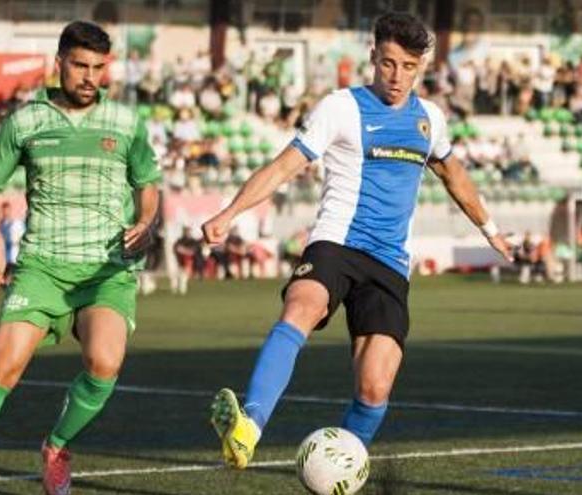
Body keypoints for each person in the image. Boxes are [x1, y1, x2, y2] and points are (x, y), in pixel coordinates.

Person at [201, 12, 512, 470]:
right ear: (373, 57)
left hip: (389, 263)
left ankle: (338, 465)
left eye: (408, 66)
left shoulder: (431, 118)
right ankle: (250, 424)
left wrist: (490, 230)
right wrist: (230, 212)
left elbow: (453, 174)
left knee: (374, 388)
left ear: (421, 66)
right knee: (301, 306)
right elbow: (284, 165)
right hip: (337, 244)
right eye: (388, 63)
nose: (397, 76)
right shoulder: (340, 107)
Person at [0, 21, 161, 495]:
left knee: (104, 362)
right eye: (79, 65)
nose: (89, 76)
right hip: (42, 267)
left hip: (106, 270)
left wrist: (146, 221)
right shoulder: (25, 121)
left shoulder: (126, 123)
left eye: (98, 67)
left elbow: (147, 184)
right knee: (3, 365)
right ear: (59, 63)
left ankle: (56, 446)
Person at [0, 201, 25, 281]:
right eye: (4, 210)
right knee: (6, 276)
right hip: (4, 254)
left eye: (7, 210)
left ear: (10, 210)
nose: (5, 213)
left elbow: (23, 236)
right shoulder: (1, 225)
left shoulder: (17, 223)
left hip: (15, 253)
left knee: (15, 275)